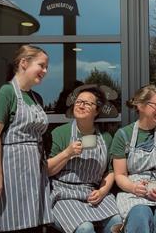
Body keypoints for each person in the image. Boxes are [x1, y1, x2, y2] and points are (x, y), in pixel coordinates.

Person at [0, 45, 52, 232]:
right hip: (11, 171)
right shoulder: (5, 92)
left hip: (35, 173)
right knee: (12, 225)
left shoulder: (36, 97)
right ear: (23, 63)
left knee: (34, 226)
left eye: (46, 67)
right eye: (41, 65)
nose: (45, 71)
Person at [48, 84, 122, 233]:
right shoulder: (61, 133)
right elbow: (47, 170)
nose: (81, 106)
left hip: (92, 193)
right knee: (85, 228)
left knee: (117, 222)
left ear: (97, 111)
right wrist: (67, 153)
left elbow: (110, 171)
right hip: (63, 194)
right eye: (78, 102)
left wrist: (102, 191)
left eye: (87, 103)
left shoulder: (105, 138)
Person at [111, 85, 156, 233]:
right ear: (140, 106)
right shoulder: (123, 135)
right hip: (133, 191)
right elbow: (120, 174)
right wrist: (133, 187)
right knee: (140, 215)